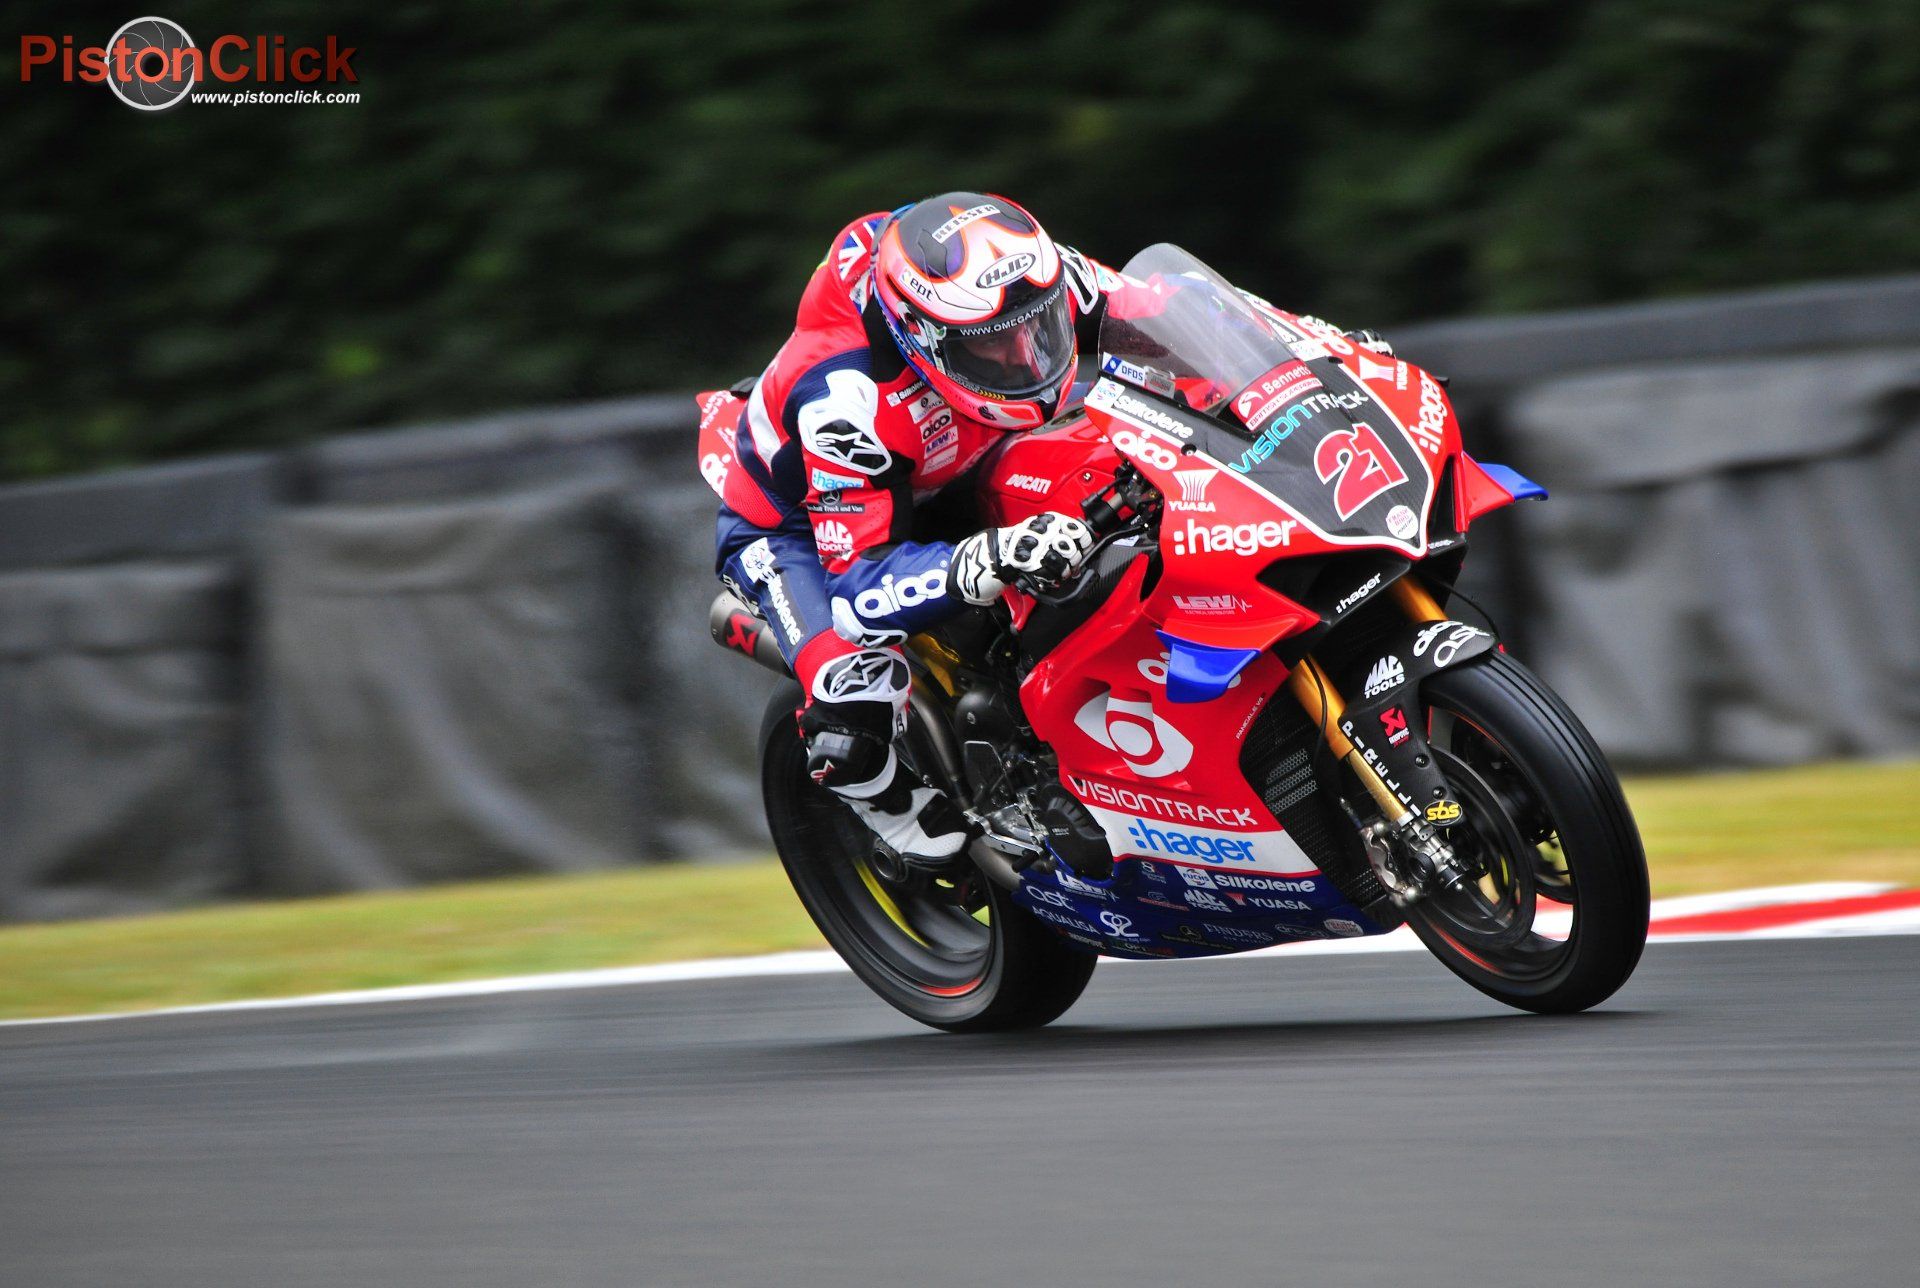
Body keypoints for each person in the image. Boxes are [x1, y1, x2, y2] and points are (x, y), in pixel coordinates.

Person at [709, 192, 1127, 868]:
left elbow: (1178, 311)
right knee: (856, 681)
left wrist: (1320, 348)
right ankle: (886, 807)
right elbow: (860, 588)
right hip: (799, 528)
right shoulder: (845, 405)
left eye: (1039, 327)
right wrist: (994, 555)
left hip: (956, 454)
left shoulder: (1037, 274)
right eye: (994, 344)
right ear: (920, 334)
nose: (1027, 355)